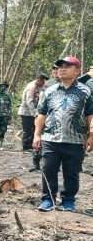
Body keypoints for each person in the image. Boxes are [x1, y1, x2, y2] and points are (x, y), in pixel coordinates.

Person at [35, 56, 93, 212]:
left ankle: (68, 201)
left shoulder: (85, 91)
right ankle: (48, 199)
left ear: (77, 70)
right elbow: (41, 114)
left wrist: (91, 135)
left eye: (67, 66)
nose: (62, 68)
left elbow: (90, 115)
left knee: (72, 172)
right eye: (60, 66)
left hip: (75, 140)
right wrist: (37, 135)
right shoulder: (49, 91)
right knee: (48, 170)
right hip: (50, 138)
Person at [18, 73, 48, 152]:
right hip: (26, 112)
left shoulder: (40, 87)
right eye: (43, 81)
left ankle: (31, 146)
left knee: (34, 129)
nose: (44, 83)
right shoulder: (31, 87)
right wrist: (35, 113)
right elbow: (29, 102)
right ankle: (26, 147)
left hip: (33, 112)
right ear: (38, 80)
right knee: (27, 130)